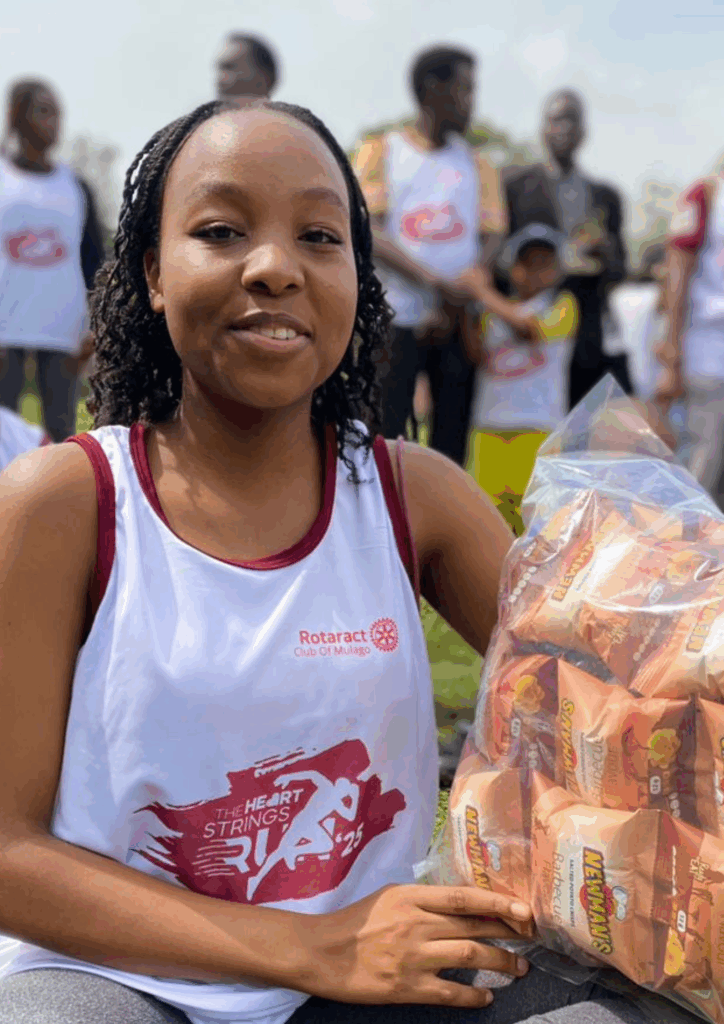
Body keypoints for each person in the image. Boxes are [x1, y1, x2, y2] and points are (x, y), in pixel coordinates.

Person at [0, 98, 653, 1024]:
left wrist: (678, 617)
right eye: (222, 231)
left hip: (379, 974)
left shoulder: (410, 494)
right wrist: (308, 946)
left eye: (319, 235)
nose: (274, 267)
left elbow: (616, 696)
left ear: (359, 275)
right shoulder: (65, 502)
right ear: (151, 271)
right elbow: (6, 853)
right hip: (126, 977)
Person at [351, 45, 506, 467]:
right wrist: (434, 283)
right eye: (465, 89)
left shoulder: (480, 165)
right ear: (431, 89)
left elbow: (493, 235)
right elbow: (370, 229)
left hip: (459, 323)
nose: (471, 102)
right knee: (379, 440)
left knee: (450, 446)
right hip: (394, 320)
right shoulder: (380, 151)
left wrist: (462, 291)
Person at [503, 89, 629, 410]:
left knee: (581, 416)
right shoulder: (515, 186)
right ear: (543, 127)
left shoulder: (604, 196)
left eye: (572, 120)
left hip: (585, 322)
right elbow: (500, 257)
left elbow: (620, 269)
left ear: (584, 132)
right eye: (556, 119)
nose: (564, 128)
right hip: (532, 323)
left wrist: (606, 253)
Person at [0, 79, 104, 441]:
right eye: (43, 111)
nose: (54, 122)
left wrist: (94, 327)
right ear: (16, 116)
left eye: (57, 113)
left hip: (62, 332)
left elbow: (94, 262)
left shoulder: (75, 187)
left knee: (61, 438)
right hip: (5, 332)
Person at [653, 171, 724, 510]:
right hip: (710, 354)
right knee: (702, 468)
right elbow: (677, 268)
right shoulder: (705, 195)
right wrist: (671, 355)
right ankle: (680, 556)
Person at [216, 33, 279, 101]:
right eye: (221, 69)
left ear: (264, 78)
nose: (220, 80)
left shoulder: (285, 111)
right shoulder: (207, 111)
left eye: (230, 67)